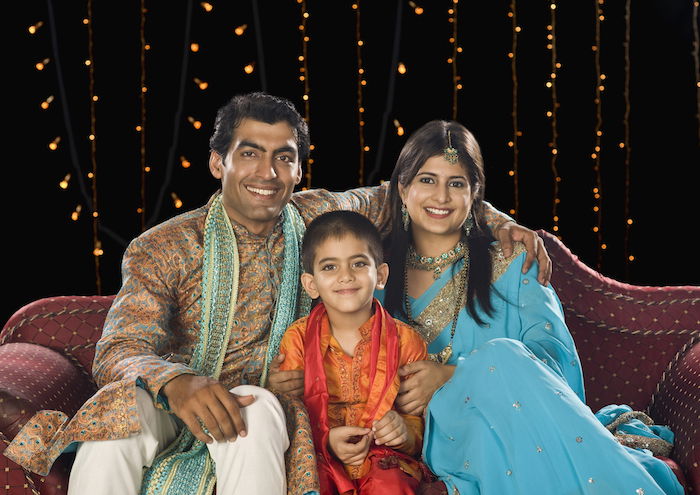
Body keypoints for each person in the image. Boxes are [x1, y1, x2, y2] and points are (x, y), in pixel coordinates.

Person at [4, 93, 550, 495]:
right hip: (171, 399)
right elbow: (118, 349)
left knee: (259, 408)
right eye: (249, 153)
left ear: (298, 167)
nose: (267, 172)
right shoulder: (163, 246)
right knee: (114, 423)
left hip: (261, 403)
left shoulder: (319, 217)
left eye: (283, 157)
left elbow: (417, 192)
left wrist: (503, 224)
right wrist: (179, 382)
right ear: (218, 162)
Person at [376, 120, 683, 494]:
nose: (441, 196)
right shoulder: (375, 276)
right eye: (427, 180)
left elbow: (556, 367)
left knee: (503, 354)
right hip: (432, 435)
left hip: (511, 423)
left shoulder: (513, 262)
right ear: (403, 189)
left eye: (456, 183)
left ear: (475, 195)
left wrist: (455, 374)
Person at [278, 211, 428, 494]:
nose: (345, 277)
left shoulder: (407, 341)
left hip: (386, 460)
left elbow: (419, 418)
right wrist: (325, 440)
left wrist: (405, 433)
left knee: (392, 485)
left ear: (380, 274)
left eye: (358, 264)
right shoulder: (297, 339)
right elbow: (290, 414)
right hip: (320, 456)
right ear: (311, 284)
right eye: (330, 267)